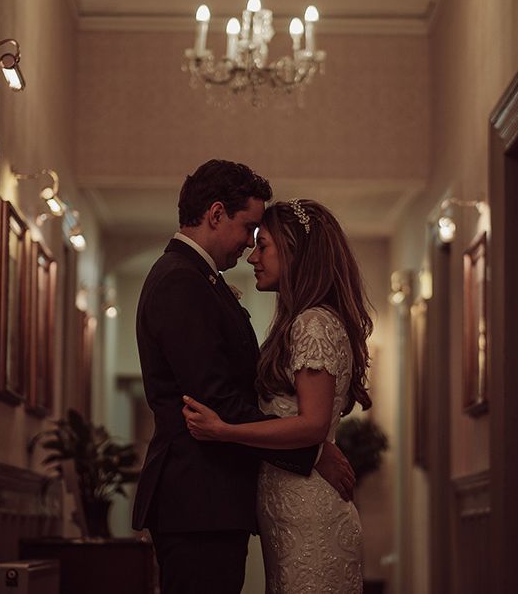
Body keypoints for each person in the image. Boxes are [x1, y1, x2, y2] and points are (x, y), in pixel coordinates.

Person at [132, 161, 356, 594]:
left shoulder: (198, 279)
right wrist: (311, 452)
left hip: (210, 503)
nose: (249, 248)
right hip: (198, 501)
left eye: (261, 240)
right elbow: (215, 399)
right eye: (248, 228)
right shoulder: (182, 281)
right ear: (216, 214)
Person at [183, 198, 372, 593]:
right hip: (290, 513)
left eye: (263, 245)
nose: (253, 257)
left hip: (310, 513)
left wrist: (225, 430)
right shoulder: (298, 322)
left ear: (295, 252)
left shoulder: (313, 323)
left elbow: (312, 424)